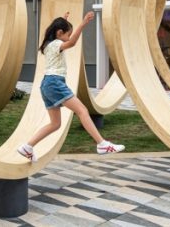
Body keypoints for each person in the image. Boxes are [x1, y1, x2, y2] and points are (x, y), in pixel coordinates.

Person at [17, 12, 125, 161]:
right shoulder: (56, 44)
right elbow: (72, 43)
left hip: (46, 84)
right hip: (55, 83)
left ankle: (27, 147)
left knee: (55, 124)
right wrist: (83, 23)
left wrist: (64, 21)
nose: (69, 36)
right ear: (59, 33)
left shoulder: (49, 44)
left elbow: (65, 37)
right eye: (68, 33)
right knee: (82, 111)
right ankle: (102, 144)